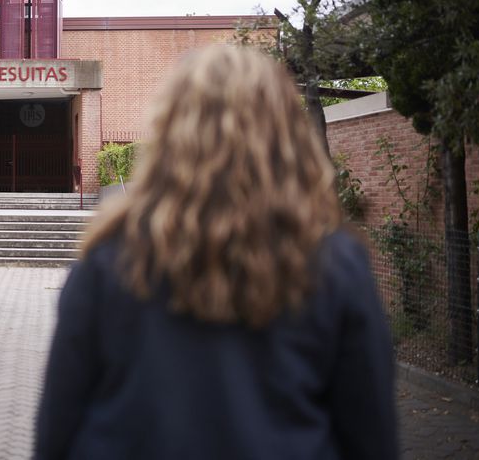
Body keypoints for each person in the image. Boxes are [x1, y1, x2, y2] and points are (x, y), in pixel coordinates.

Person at [34, 45, 397, 459]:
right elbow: (371, 438)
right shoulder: (335, 264)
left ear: (169, 133)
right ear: (283, 131)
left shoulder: (108, 261)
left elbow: (57, 434)